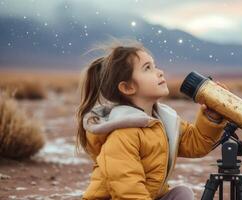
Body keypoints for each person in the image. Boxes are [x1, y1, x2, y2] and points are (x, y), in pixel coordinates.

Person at [76, 40, 229, 200]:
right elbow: (129, 192)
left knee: (182, 194)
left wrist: (211, 116)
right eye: (147, 68)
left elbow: (195, 144)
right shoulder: (122, 134)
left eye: (154, 66)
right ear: (128, 88)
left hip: (148, 196)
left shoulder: (162, 120)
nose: (160, 72)